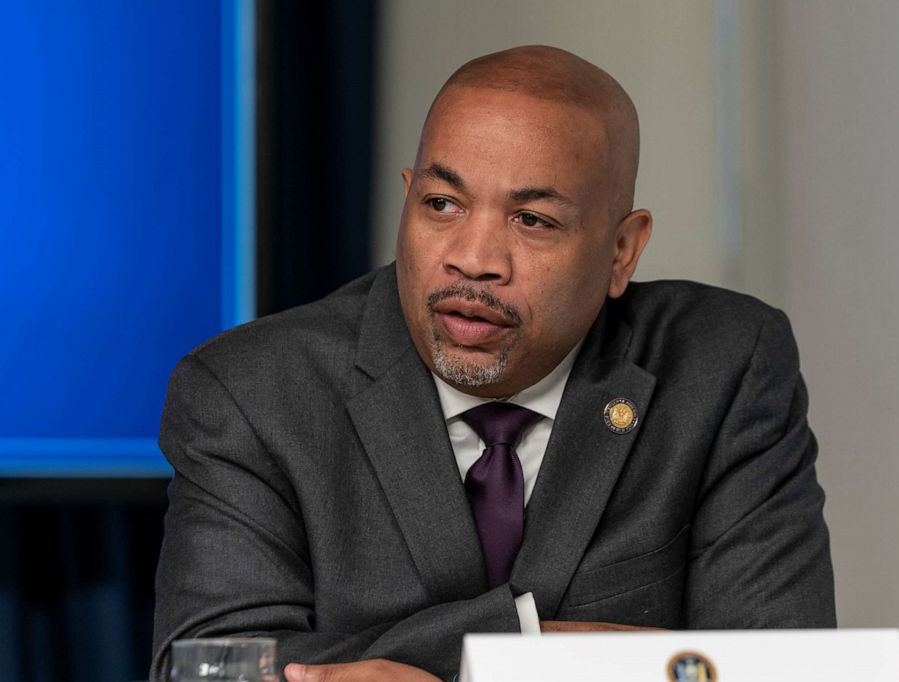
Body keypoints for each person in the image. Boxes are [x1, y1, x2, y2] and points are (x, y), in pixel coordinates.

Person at [151, 45, 835, 682]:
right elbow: (218, 669)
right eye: (441, 204)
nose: (473, 258)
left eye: (531, 220)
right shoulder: (250, 393)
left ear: (623, 251)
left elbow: (781, 669)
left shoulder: (723, 367)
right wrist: (530, 643)